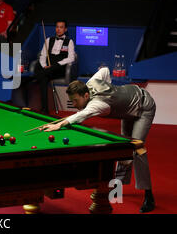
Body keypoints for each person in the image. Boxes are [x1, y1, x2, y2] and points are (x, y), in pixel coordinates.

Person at [39, 67, 156, 213]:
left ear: (86, 95)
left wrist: (59, 124)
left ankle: (149, 195)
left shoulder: (99, 105)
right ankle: (117, 188)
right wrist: (110, 88)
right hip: (128, 107)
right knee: (123, 149)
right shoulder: (91, 82)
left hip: (144, 106)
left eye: (75, 101)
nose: (73, 105)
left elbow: (81, 116)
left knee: (137, 149)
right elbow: (105, 70)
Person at [15, 21, 75, 113]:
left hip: (59, 69)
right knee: (44, 78)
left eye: (61, 27)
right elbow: (42, 56)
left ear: (65, 29)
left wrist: (58, 64)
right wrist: (44, 66)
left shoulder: (69, 42)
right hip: (47, 70)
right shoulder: (48, 40)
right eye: (57, 27)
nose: (58, 29)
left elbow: (71, 58)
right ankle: (44, 109)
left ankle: (30, 78)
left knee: (44, 74)